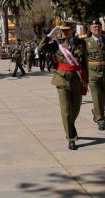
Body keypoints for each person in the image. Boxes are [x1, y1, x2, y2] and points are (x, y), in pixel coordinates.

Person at [38, 21, 88, 150]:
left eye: (67, 29)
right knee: (66, 110)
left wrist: (85, 79)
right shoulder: (56, 44)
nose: (65, 32)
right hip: (62, 79)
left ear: (72, 30)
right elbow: (40, 49)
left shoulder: (81, 43)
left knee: (76, 108)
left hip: (77, 78)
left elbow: (85, 62)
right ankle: (71, 138)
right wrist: (49, 36)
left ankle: (70, 126)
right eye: (63, 30)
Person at [86, 20, 105, 131]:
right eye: (94, 27)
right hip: (92, 73)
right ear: (90, 29)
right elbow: (83, 60)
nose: (97, 29)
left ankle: (96, 111)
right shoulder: (86, 42)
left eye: (98, 27)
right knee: (96, 97)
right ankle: (100, 120)